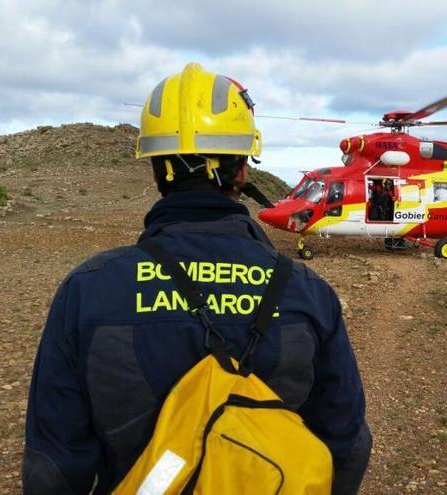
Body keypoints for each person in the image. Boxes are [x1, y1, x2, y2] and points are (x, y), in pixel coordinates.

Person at [22, 62, 371, 494]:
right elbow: (347, 444)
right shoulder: (307, 292)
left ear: (155, 170)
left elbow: (53, 465)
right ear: (242, 171)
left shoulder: (88, 289)